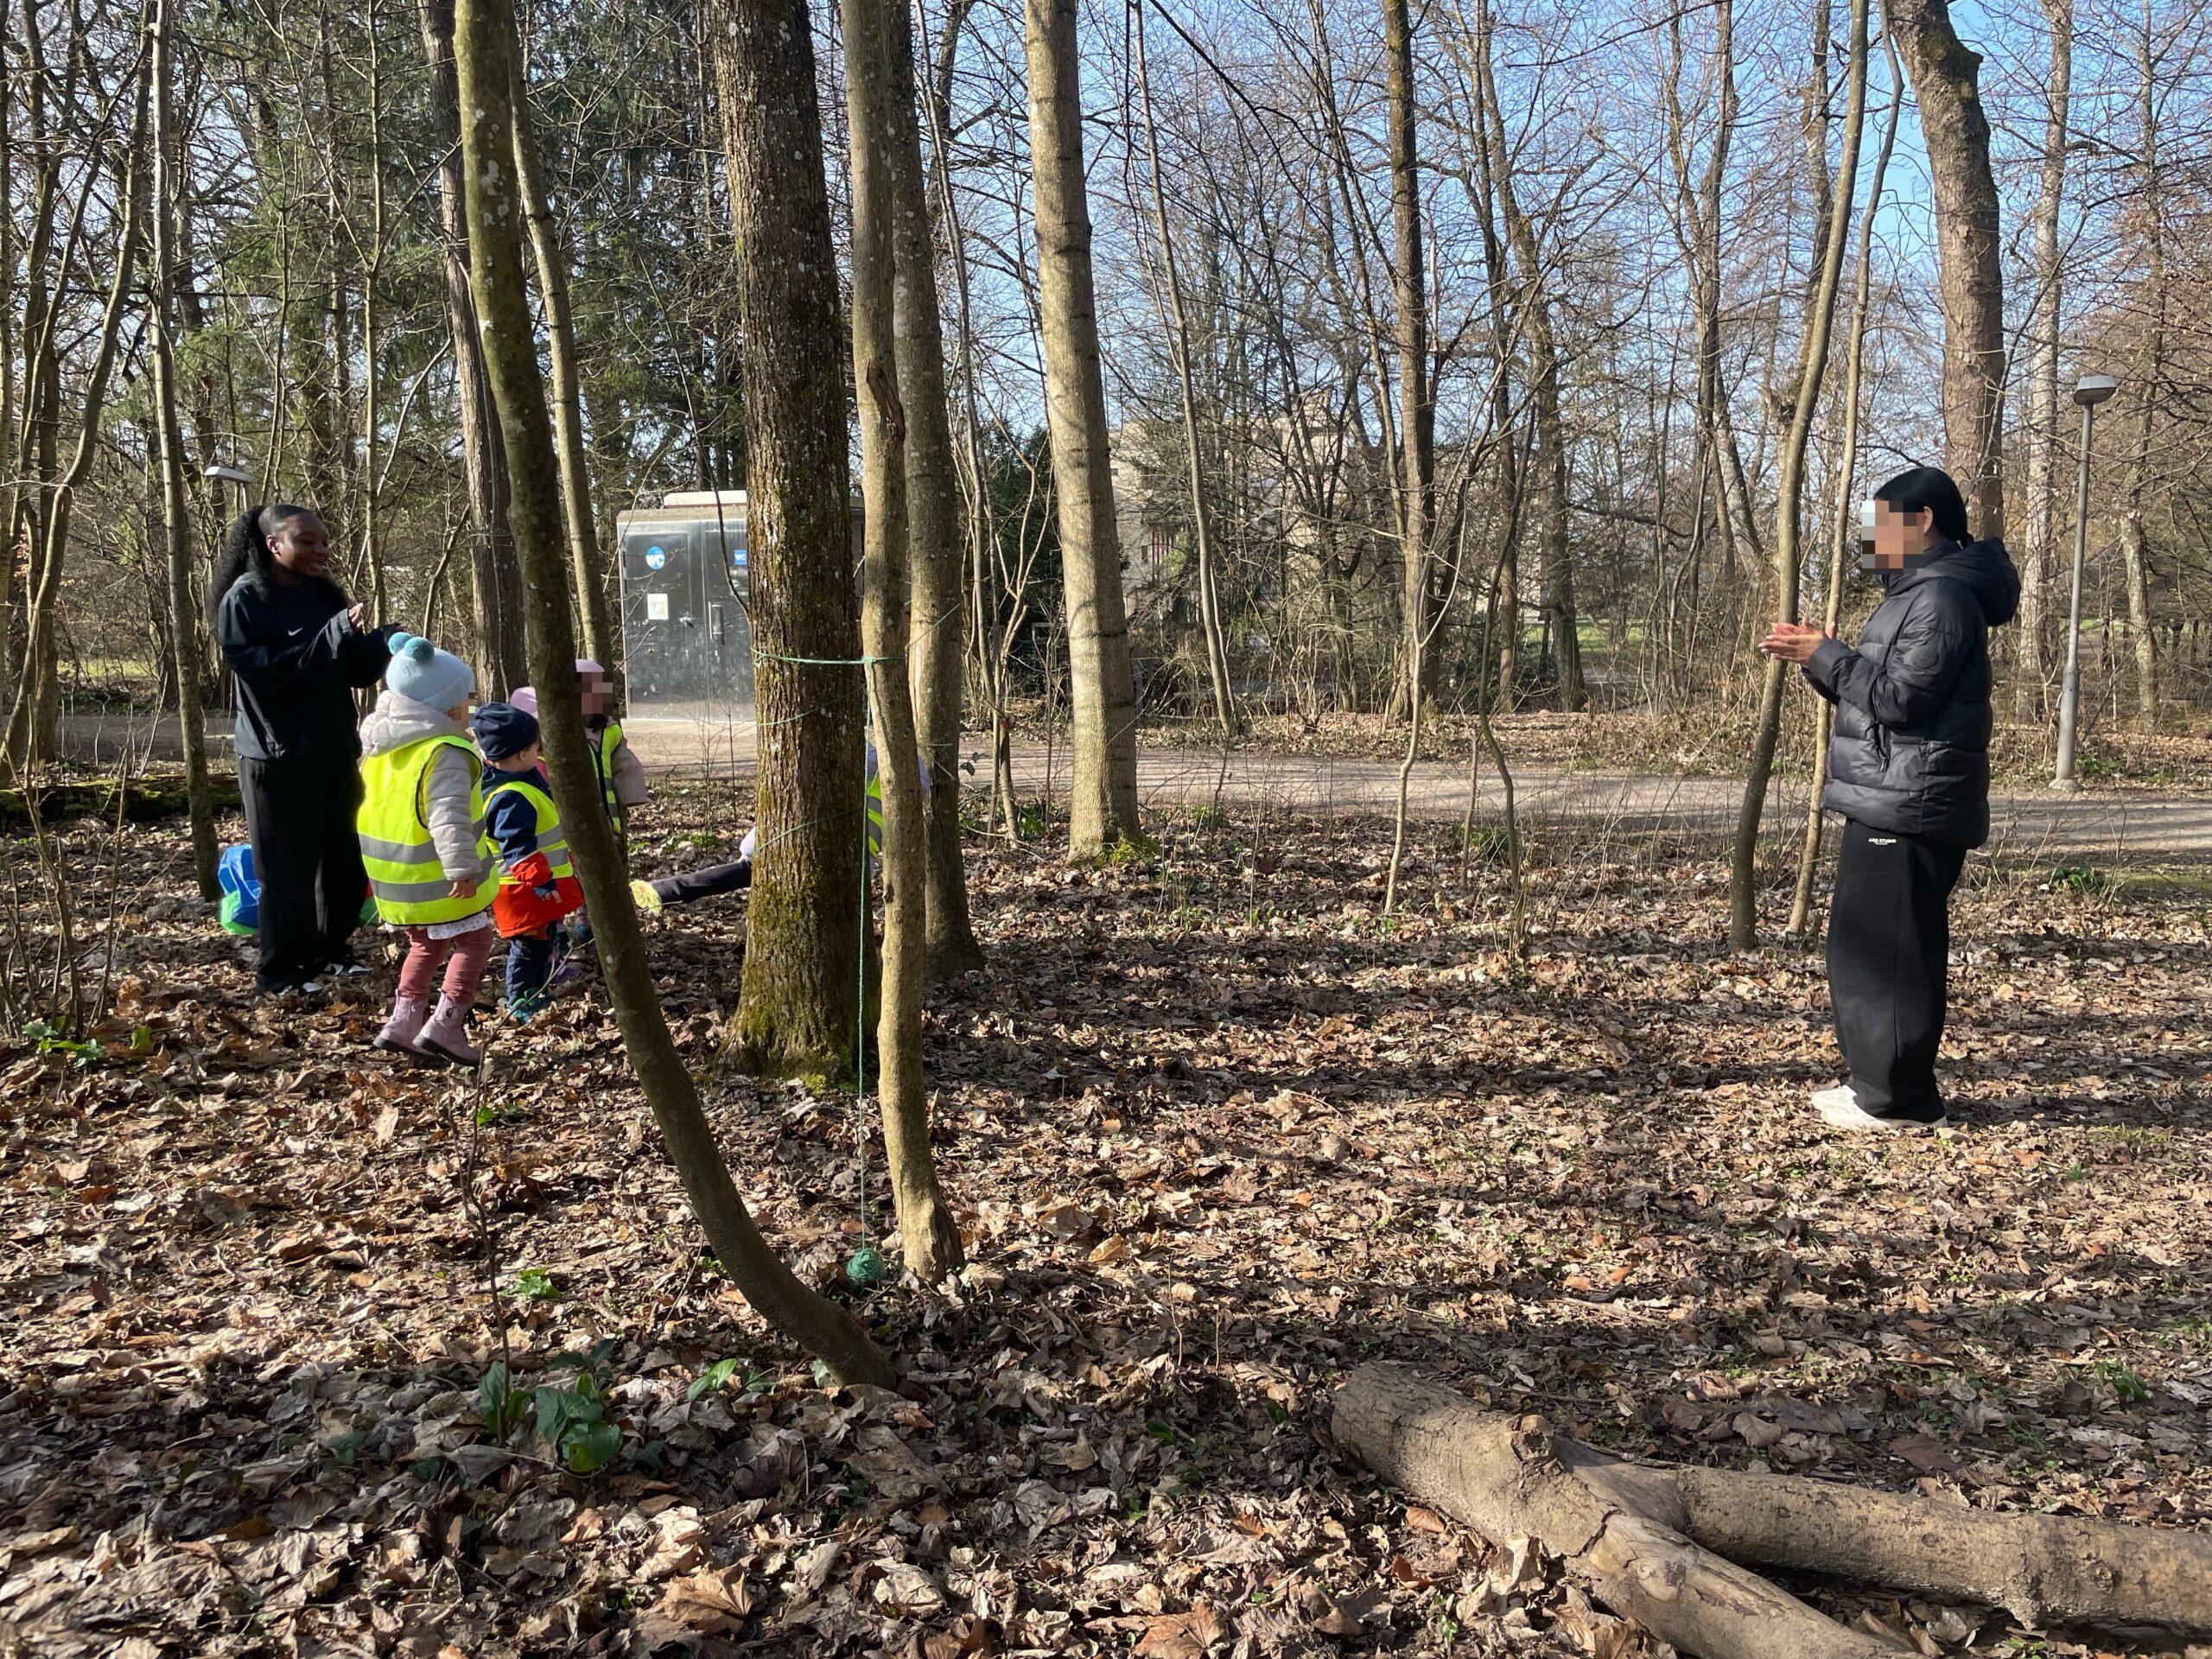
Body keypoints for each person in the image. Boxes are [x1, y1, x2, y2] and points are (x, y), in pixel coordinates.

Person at [1758, 466, 2018, 1131]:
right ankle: (1878, 1083)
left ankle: (1899, 1099)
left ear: (1922, 520)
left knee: (1893, 955)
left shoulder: (1943, 598)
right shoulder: (1917, 593)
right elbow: (1880, 695)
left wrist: (1830, 655)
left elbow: (1903, 702)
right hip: (1886, 794)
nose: (1870, 539)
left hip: (1913, 801)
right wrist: (1820, 660)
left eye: (1880, 523)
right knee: (1861, 949)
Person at [213, 504, 398, 995]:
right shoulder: (245, 599)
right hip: (274, 758)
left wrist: (380, 644)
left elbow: (350, 672)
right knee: (286, 869)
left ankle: (330, 951)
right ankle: (282, 972)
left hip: (333, 751)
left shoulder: (322, 595)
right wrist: (333, 636)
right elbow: (270, 674)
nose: (321, 550)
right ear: (275, 545)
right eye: (307, 541)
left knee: (342, 861)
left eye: (324, 541)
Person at [358, 634, 496, 1067]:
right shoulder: (445, 752)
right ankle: (445, 1025)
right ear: (441, 705)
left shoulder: (382, 747)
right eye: (465, 699)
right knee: (474, 939)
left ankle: (401, 1024)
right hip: (439, 876)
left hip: (395, 879)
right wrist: (462, 868)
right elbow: (448, 815)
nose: (470, 708)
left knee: (423, 946)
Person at [472, 702, 584, 1020]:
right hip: (523, 890)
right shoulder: (510, 797)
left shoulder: (522, 780)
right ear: (521, 754)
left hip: (536, 887)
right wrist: (539, 880)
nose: (540, 754)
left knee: (543, 940)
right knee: (528, 946)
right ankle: (521, 999)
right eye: (536, 748)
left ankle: (537, 989)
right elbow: (517, 845)